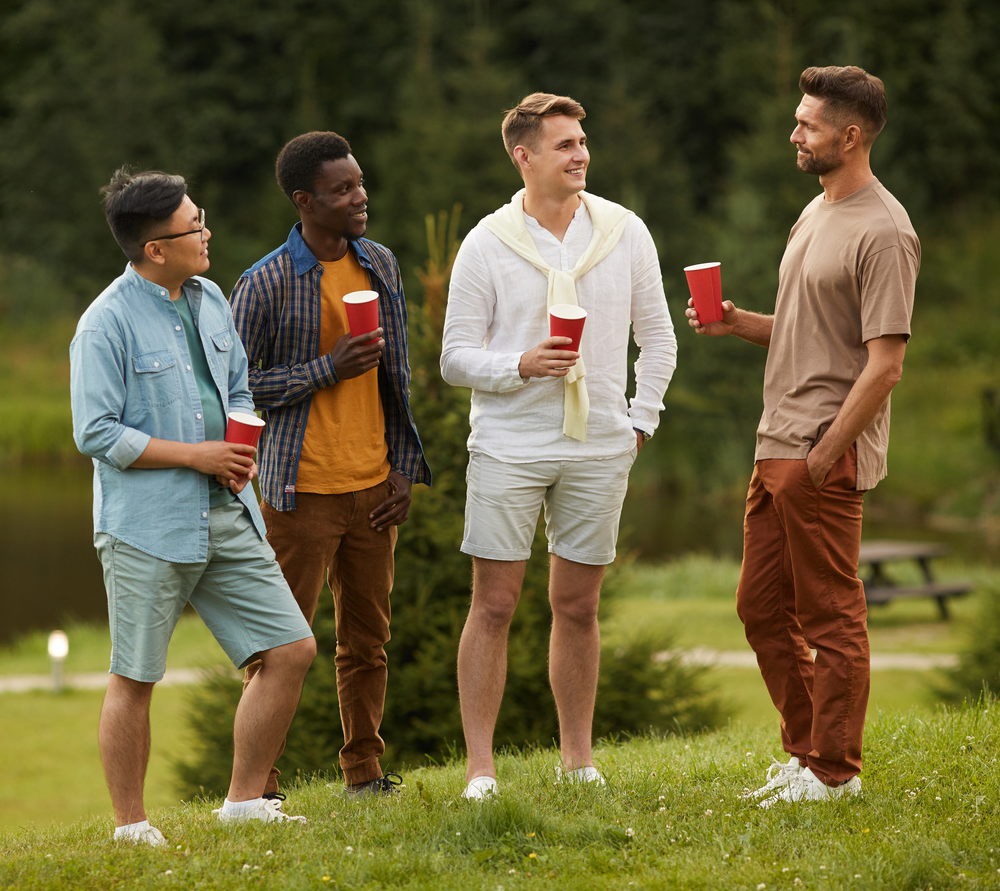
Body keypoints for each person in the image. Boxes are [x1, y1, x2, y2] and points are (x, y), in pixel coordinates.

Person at [686, 66, 919, 806]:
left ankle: (835, 773)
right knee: (760, 608)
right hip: (774, 445)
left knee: (831, 614)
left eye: (808, 124)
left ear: (850, 137)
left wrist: (824, 455)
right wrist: (735, 322)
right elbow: (808, 332)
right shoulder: (815, 212)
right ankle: (805, 754)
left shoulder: (886, 231)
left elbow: (885, 366)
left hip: (819, 454)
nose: (794, 133)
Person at [441, 93, 678, 799]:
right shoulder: (487, 243)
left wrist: (641, 422)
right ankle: (480, 770)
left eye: (582, 142)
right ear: (524, 157)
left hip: (600, 446)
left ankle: (578, 760)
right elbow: (455, 357)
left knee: (578, 605)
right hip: (509, 445)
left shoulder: (625, 231)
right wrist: (519, 365)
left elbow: (657, 338)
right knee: (495, 604)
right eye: (564, 145)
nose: (580, 154)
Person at [71, 168, 317, 839]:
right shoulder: (104, 325)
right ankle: (131, 826)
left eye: (201, 217)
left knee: (290, 649)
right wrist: (195, 455)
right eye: (193, 226)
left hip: (230, 510)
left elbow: (238, 385)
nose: (206, 233)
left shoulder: (211, 298)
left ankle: (243, 803)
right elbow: (95, 432)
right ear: (155, 248)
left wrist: (240, 442)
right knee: (136, 676)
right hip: (146, 527)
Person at [231, 132, 432, 798]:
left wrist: (401, 467)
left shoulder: (379, 264)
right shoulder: (264, 283)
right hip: (300, 493)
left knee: (367, 644)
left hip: (373, 488)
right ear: (304, 200)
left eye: (360, 183)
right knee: (279, 650)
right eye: (342, 190)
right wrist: (326, 368)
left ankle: (365, 773)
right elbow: (231, 390)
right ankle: (259, 787)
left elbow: (396, 374)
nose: (359, 197)